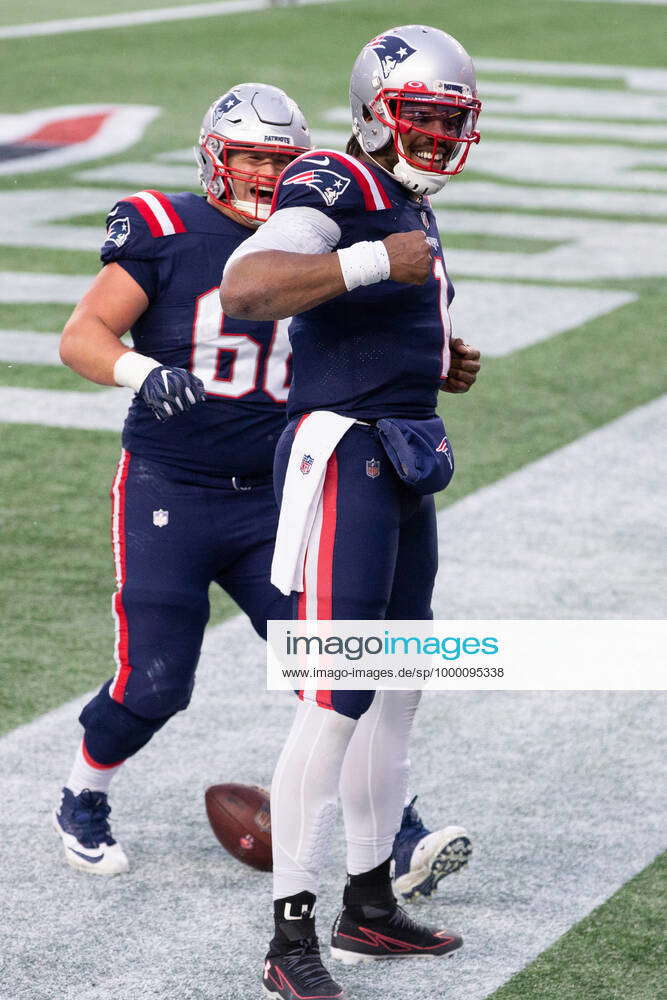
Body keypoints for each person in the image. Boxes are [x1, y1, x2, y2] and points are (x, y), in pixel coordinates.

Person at [52, 82, 475, 899]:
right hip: (172, 486)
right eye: (248, 155)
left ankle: (395, 833)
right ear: (215, 155)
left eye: (279, 160)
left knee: (336, 661)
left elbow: (369, 340)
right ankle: (84, 791)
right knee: (157, 679)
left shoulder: (332, 222)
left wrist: (436, 363)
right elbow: (82, 336)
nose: (262, 173)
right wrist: (141, 371)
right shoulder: (166, 229)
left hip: (281, 495)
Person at [221, 26, 482, 999]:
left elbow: (392, 298)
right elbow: (251, 285)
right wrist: (379, 269)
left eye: (452, 122)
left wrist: (440, 357)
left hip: (401, 453)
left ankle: (368, 902)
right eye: (425, 117)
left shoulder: (401, 196)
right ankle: (289, 936)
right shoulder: (332, 178)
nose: (440, 136)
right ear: (378, 109)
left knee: (396, 684)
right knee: (333, 696)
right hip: (345, 460)